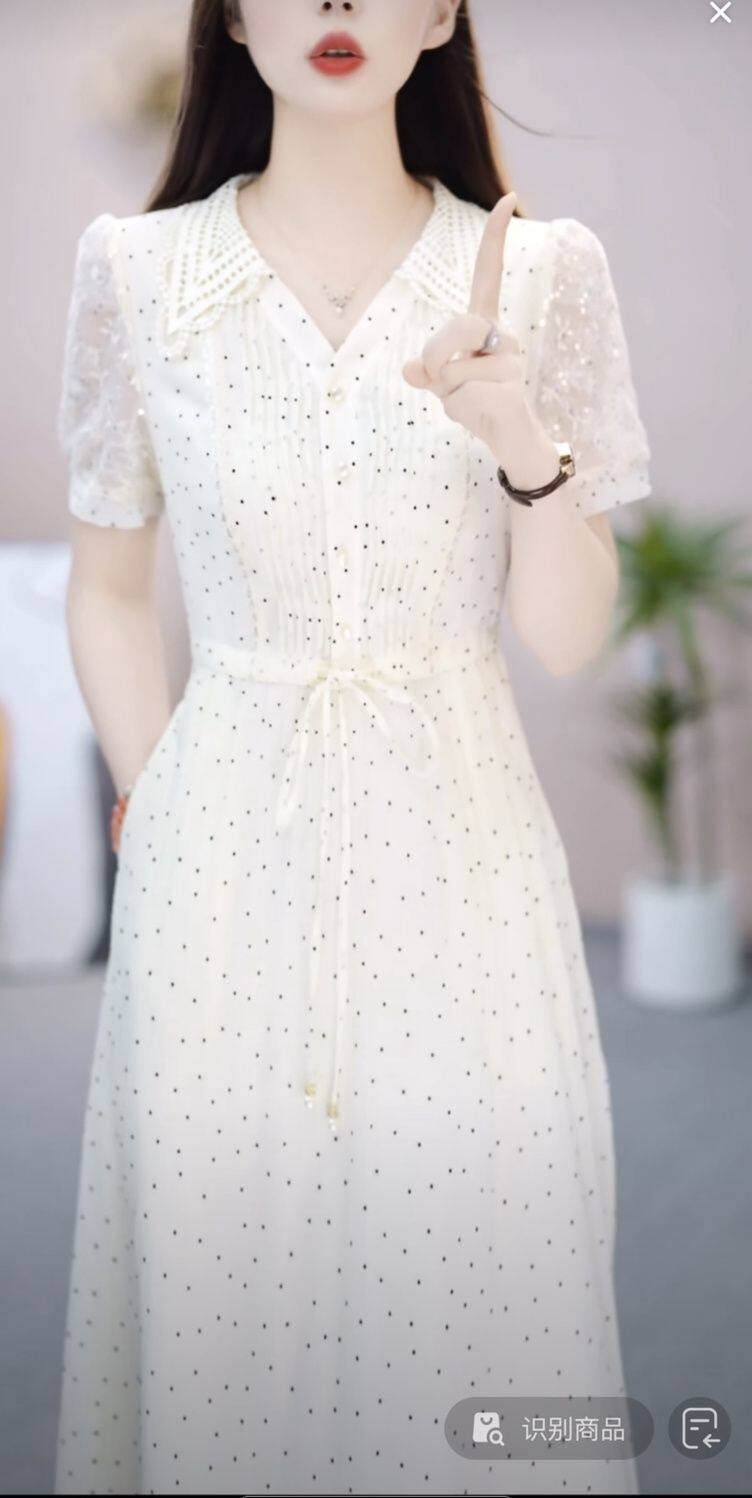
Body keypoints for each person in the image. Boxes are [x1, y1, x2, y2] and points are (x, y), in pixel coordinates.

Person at [54, 1, 652, 1492]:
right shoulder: (139, 273)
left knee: (473, 1283)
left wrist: (518, 436)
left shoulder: (543, 272)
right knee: (224, 1291)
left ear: (441, 11)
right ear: (232, 14)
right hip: (217, 863)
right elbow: (109, 583)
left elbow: (570, 637)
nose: (335, 3)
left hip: (461, 853)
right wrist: (152, 787)